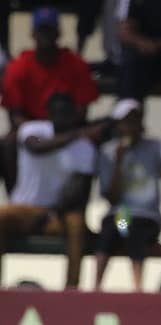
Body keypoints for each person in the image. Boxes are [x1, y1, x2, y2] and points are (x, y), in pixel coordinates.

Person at [0, 92, 100, 290]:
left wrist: (53, 212)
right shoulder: (33, 129)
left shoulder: (85, 148)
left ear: (74, 114)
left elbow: (77, 191)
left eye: (66, 113)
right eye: (58, 113)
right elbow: (35, 148)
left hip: (56, 214)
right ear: (49, 113)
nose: (62, 117)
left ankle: (71, 289)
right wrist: (74, 135)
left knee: (77, 224)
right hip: (24, 209)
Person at [1, 7, 99, 192]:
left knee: (91, 142)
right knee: (7, 144)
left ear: (58, 33)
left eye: (50, 30)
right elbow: (15, 115)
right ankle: (16, 200)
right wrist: (40, 132)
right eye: (41, 30)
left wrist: (60, 132)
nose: (45, 35)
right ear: (33, 33)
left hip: (67, 127)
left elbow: (81, 111)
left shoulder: (75, 64)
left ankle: (75, 212)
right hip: (29, 128)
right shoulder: (19, 67)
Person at [93, 99, 161, 292]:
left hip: (147, 216)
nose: (131, 127)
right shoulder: (109, 152)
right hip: (121, 215)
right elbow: (111, 197)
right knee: (110, 234)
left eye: (134, 121)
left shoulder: (154, 146)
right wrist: (118, 162)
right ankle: (96, 286)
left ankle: (137, 287)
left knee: (135, 234)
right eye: (126, 122)